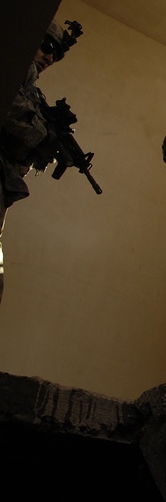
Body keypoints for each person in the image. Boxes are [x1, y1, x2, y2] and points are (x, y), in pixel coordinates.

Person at [0, 20, 82, 306]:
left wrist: (50, 148)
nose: (50, 57)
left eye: (56, 55)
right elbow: (10, 107)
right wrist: (44, 136)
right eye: (47, 47)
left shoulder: (33, 91)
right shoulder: (12, 65)